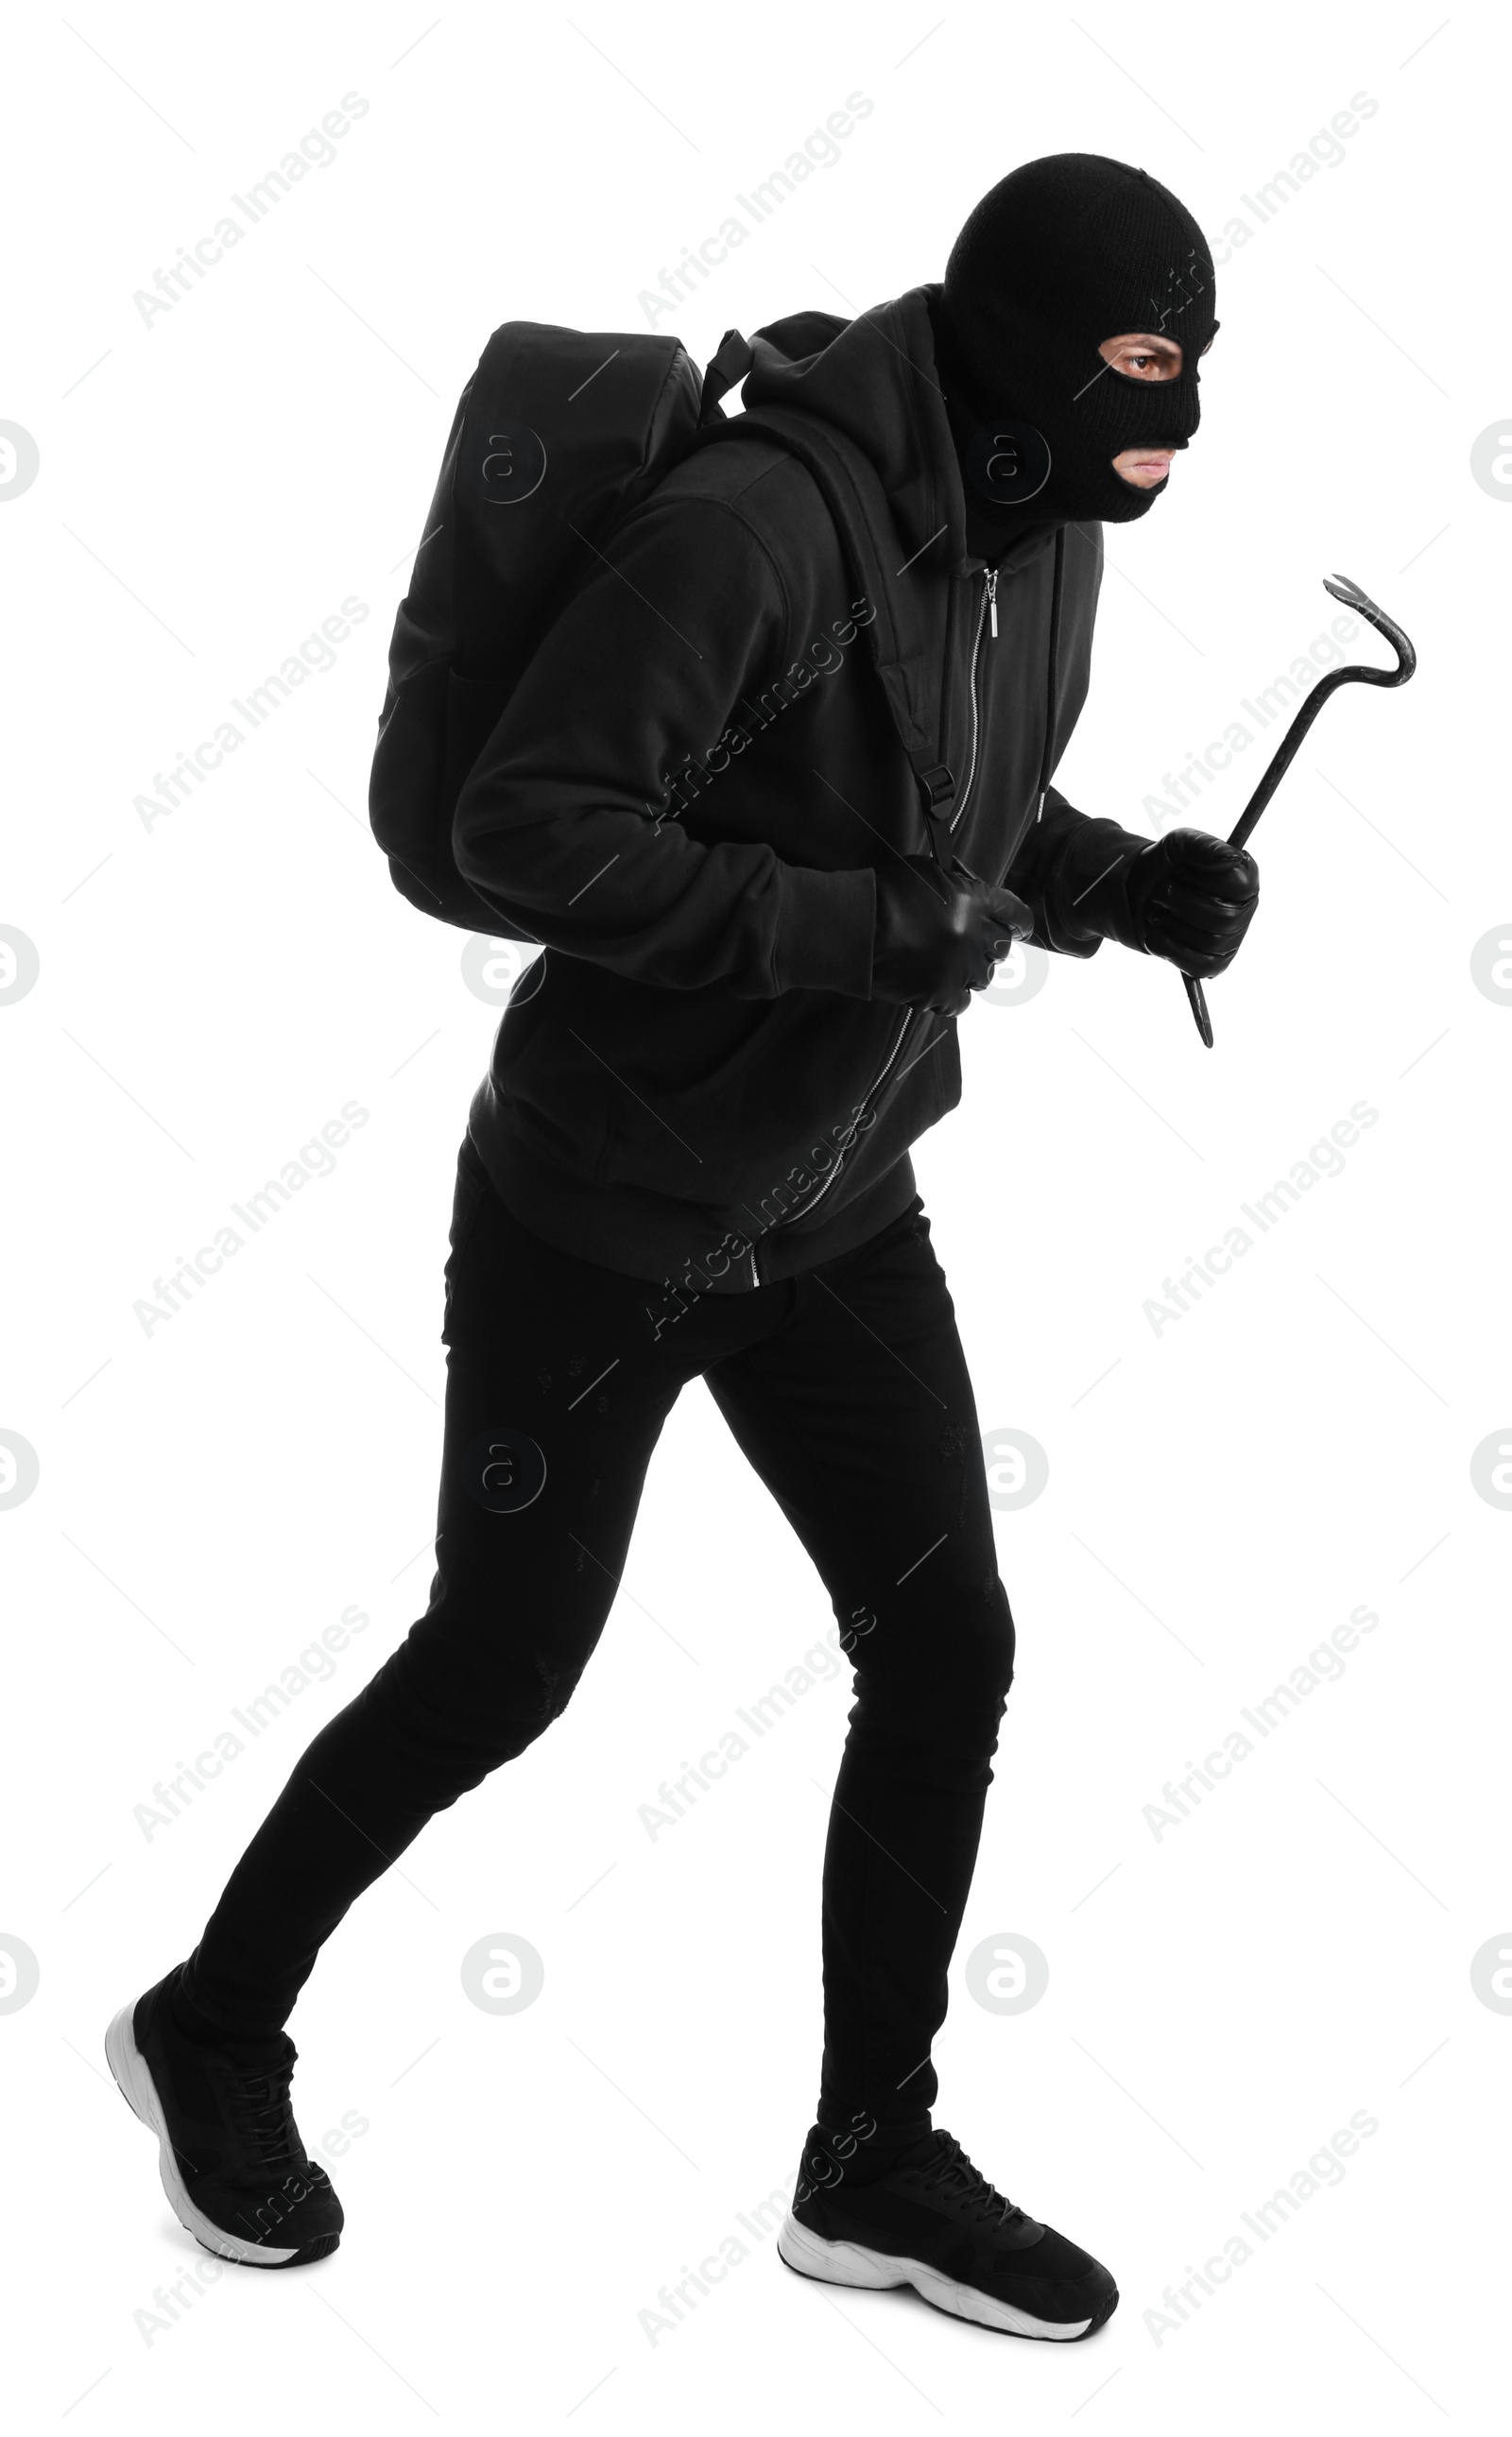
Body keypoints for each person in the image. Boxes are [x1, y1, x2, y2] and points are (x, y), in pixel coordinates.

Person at [107, 153, 1258, 2342]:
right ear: (1018, 355)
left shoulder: (1043, 527)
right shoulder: (755, 527)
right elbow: (518, 827)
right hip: (606, 1209)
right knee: (502, 1666)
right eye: (1137, 362)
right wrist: (864, 934)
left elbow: (950, 803)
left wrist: (1115, 886)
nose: (1177, 410)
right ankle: (209, 2019)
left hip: (835, 1195)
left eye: (1202, 362)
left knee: (945, 1653)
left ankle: (869, 2164)